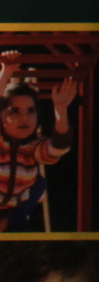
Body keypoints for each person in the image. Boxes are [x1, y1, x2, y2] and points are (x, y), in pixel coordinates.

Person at [0, 78, 77, 232]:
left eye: (31, 110)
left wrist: (60, 109)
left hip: (10, 219)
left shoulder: (32, 148)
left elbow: (58, 148)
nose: (24, 117)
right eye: (14, 111)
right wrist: (6, 71)